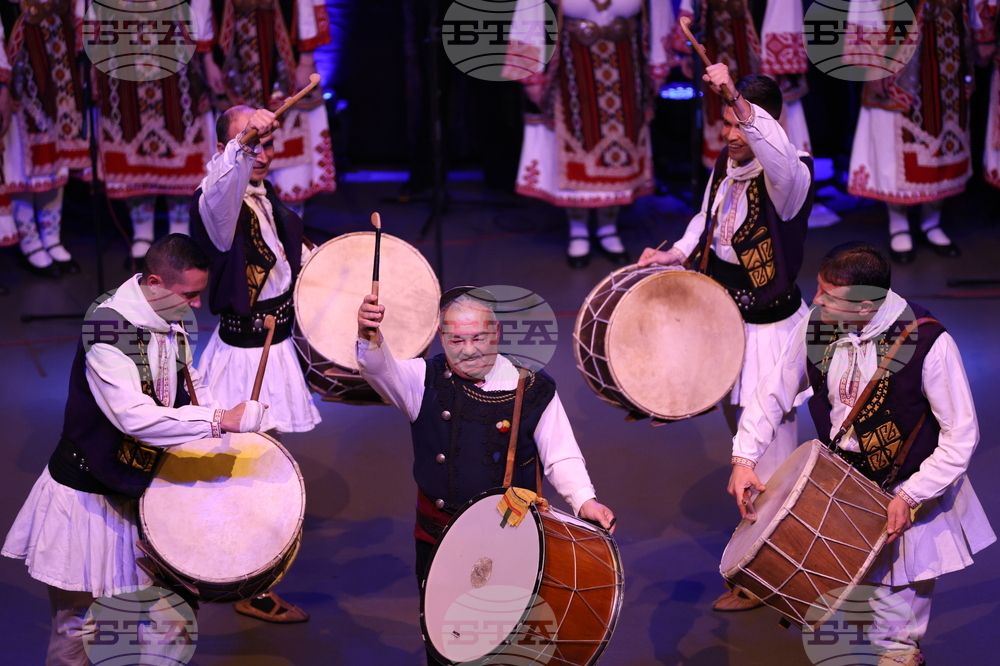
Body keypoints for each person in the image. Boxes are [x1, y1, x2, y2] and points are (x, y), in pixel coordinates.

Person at [2, 234, 265, 666]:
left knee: (167, 621)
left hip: (142, 492)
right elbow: (134, 417)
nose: (198, 305)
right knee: (79, 629)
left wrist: (220, 414)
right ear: (156, 282)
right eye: (191, 294)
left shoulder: (169, 311)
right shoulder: (107, 329)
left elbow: (186, 379)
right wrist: (220, 420)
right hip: (86, 498)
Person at [728, 242, 995, 666]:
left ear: (867, 305)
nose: (814, 301)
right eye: (818, 288)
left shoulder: (927, 342)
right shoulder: (818, 325)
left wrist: (912, 495)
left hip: (906, 477)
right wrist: (744, 458)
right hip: (842, 473)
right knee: (847, 574)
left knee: (905, 574)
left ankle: (901, 651)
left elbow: (961, 435)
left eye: (828, 295)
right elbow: (773, 391)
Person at [357, 287, 616, 665]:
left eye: (478, 337)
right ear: (442, 338)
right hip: (438, 541)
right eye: (457, 339)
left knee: (505, 643)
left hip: (511, 543)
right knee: (447, 641)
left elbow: (560, 454)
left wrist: (585, 500)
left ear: (496, 333)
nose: (469, 349)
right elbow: (378, 367)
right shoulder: (421, 380)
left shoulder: (532, 387)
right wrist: (369, 336)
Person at [638, 65, 813, 611]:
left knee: (773, 455)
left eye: (740, 123)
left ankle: (772, 573)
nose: (731, 134)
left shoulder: (789, 177)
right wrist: (676, 253)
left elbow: (776, 152)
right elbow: (705, 217)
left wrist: (736, 95)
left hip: (771, 332)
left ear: (763, 123)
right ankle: (771, 561)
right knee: (743, 443)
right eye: (726, 123)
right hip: (727, 325)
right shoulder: (727, 166)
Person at [190, 104, 319, 623]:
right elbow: (225, 182)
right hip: (245, 357)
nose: (259, 153)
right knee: (248, 474)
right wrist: (241, 142)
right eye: (249, 144)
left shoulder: (272, 207)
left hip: (276, 346)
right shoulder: (217, 206)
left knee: (260, 468)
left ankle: (245, 573)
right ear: (224, 149)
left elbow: (302, 264)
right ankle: (245, 582)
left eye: (264, 144)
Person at [503, 0, 673, 268]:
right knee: (574, 147)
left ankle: (608, 228)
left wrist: (659, 63)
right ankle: (578, 229)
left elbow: (661, 7)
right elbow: (530, 6)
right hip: (573, 67)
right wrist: (531, 72)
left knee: (621, 147)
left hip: (626, 66)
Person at [846, 0, 993, 263]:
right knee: (893, 134)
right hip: (898, 49)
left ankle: (931, 221)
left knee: (946, 130)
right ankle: (898, 223)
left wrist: (982, 33)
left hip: (948, 47)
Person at [96, 0, 217, 266]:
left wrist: (202, 48)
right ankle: (142, 232)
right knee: (131, 141)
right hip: (122, 47)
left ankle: (179, 229)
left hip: (175, 48)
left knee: (182, 143)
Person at [201, 0, 336, 219]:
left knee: (291, 137)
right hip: (236, 53)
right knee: (239, 143)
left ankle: (291, 226)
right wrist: (208, 60)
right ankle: (251, 228)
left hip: (281, 49)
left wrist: (306, 58)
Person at [3, 0, 88, 277]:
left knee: (58, 151)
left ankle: (51, 236)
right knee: (22, 155)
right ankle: (29, 239)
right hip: (22, 56)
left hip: (58, 54)